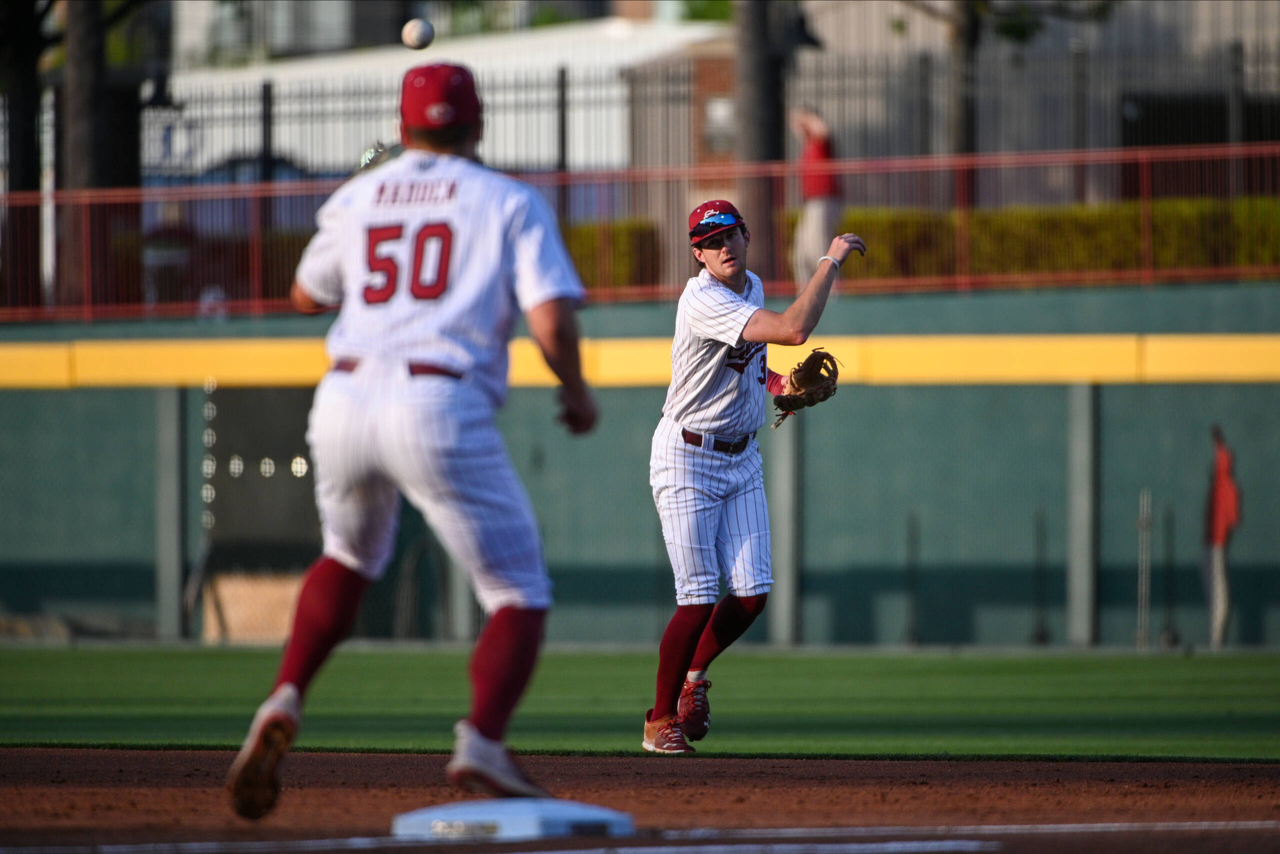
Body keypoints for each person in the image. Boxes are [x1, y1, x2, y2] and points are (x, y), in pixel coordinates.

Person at [226, 62, 598, 819]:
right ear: (478, 125)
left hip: (343, 396)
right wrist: (577, 391)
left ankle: (283, 698)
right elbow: (551, 319)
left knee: (348, 555)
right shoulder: (508, 200)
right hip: (437, 398)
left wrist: (362, 225)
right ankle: (483, 742)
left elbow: (305, 294)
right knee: (516, 590)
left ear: (404, 128)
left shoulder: (359, 194)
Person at [642, 200, 864, 753]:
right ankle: (658, 721)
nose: (722, 246)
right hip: (688, 454)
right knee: (696, 598)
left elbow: (754, 362)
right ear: (697, 253)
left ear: (745, 236)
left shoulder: (753, 286)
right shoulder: (703, 298)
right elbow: (792, 330)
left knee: (751, 595)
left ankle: (695, 680)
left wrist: (780, 385)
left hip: (740, 456)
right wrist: (830, 261)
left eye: (730, 234)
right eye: (709, 240)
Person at [789, 108, 842, 293]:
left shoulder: (820, 141)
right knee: (800, 253)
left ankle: (831, 292)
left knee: (819, 248)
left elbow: (824, 129)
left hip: (824, 201)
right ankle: (805, 293)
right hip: (811, 203)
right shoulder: (808, 144)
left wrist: (806, 116)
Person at [1202, 424, 1241, 650]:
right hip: (1211, 544)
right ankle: (1215, 638)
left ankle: (1216, 640)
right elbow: (1221, 455)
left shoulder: (1227, 487)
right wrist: (1217, 440)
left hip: (1217, 545)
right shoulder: (1220, 484)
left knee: (1219, 595)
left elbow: (1233, 520)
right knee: (1215, 593)